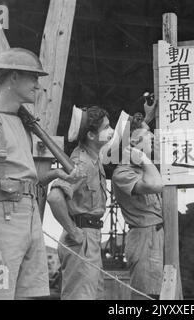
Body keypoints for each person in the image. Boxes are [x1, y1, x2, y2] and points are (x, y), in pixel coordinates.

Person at [0, 48, 78, 300]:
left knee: (29, 295)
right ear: (13, 77)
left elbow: (24, 178)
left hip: (29, 216)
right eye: (33, 78)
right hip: (1, 223)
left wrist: (56, 174)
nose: (38, 85)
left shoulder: (20, 121)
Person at [47, 105, 114, 300]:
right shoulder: (82, 163)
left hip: (89, 237)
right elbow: (55, 198)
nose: (110, 131)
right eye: (106, 127)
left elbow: (121, 140)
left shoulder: (93, 157)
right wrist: (74, 231)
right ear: (92, 136)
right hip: (81, 236)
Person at [112, 116, 164, 300]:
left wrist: (148, 115)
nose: (152, 135)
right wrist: (142, 156)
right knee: (146, 296)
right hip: (144, 239)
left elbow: (138, 130)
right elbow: (155, 185)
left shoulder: (142, 168)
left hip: (154, 236)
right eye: (148, 132)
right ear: (133, 141)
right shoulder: (123, 172)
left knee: (158, 293)